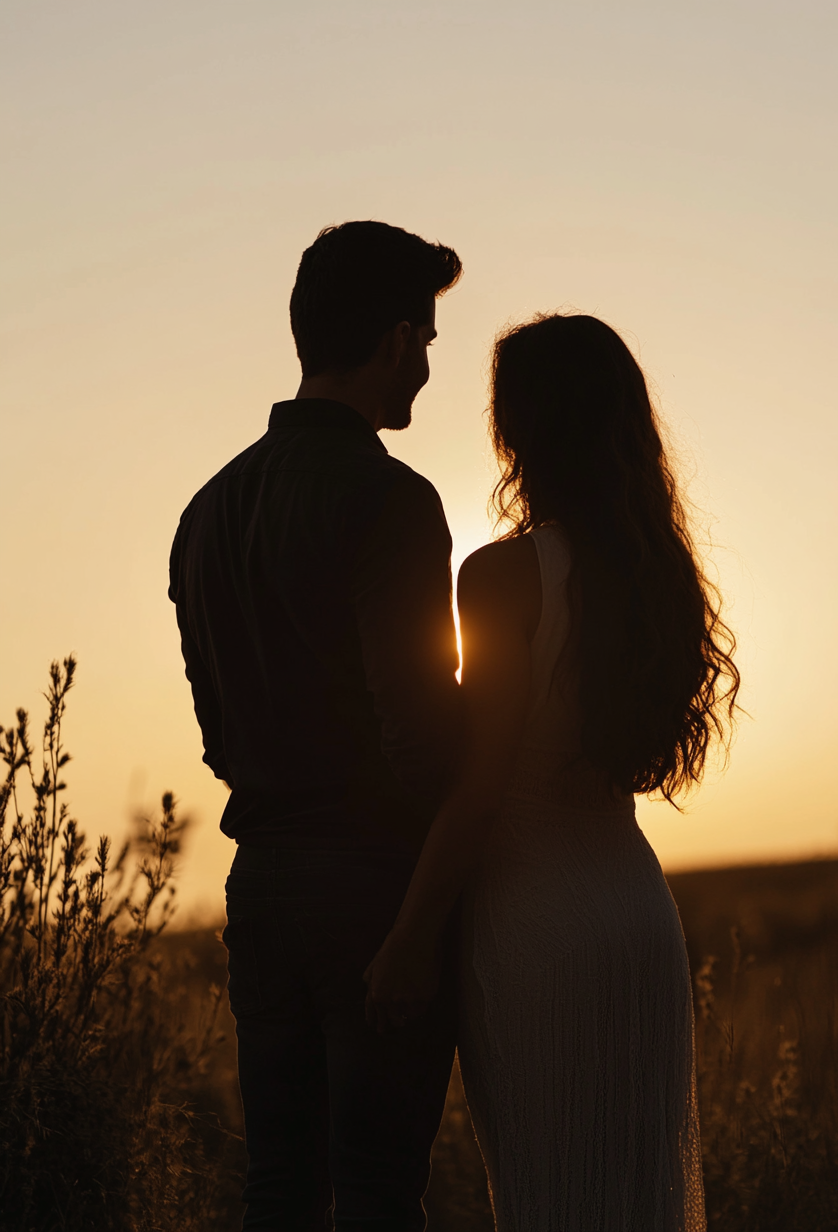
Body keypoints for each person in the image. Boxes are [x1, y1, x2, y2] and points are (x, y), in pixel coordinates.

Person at [365, 313, 740, 1231]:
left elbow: (483, 786)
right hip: (637, 920)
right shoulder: (661, 575)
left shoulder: (501, 577)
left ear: (517, 428)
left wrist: (410, 936)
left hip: (536, 935)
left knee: (547, 1203)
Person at [169, 221, 463, 1231]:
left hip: (261, 889)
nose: (427, 363)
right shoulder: (393, 501)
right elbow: (421, 733)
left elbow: (215, 735)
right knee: (382, 1194)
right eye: (425, 339)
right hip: (375, 890)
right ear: (392, 340)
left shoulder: (205, 513)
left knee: (280, 1190)